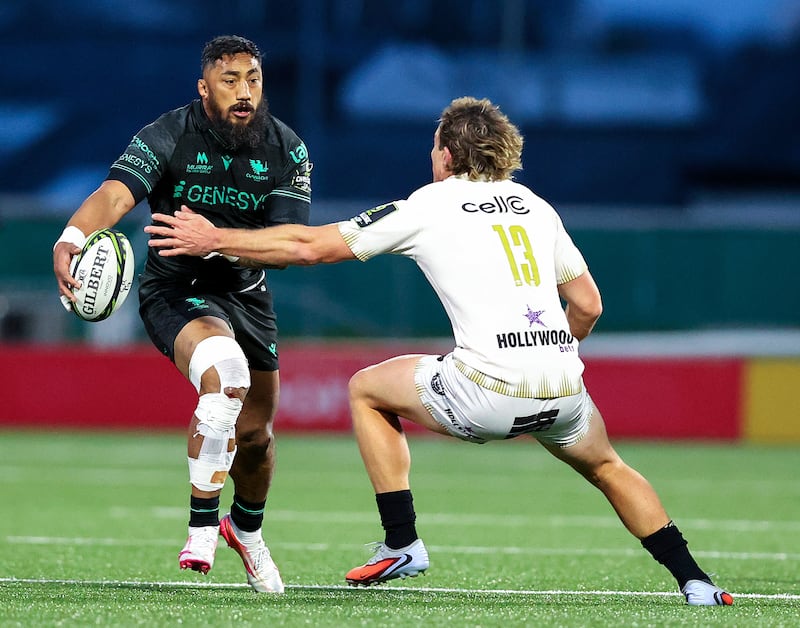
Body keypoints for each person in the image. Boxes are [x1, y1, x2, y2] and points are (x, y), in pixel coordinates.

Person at [144, 96, 733, 606]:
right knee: (608, 467)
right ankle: (696, 581)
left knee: (367, 389)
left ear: (448, 155)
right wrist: (549, 353)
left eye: (434, 148)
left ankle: (401, 542)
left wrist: (215, 238)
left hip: (488, 392)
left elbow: (308, 246)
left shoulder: (430, 203)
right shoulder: (536, 206)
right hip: (563, 389)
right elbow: (588, 304)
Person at [53, 35, 313, 594]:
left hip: (248, 293)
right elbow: (115, 194)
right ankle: (201, 529)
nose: (244, 93)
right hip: (177, 290)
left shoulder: (287, 148)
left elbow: (288, 246)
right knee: (226, 377)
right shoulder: (168, 134)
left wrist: (215, 240)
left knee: (257, 437)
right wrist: (72, 237)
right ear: (204, 87)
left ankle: (246, 531)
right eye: (229, 80)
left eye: (253, 79)